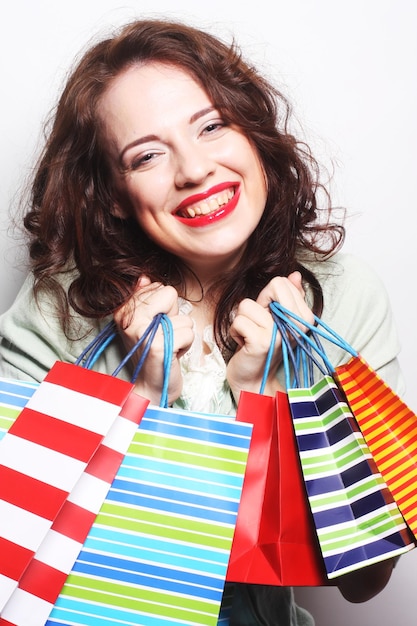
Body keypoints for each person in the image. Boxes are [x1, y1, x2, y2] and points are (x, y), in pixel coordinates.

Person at [0, 17, 404, 625]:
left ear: (253, 133)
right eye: (147, 156)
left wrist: (267, 402)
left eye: (213, 126)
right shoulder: (51, 315)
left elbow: (365, 581)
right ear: (112, 192)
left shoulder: (343, 299)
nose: (194, 169)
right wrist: (141, 400)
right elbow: (22, 567)